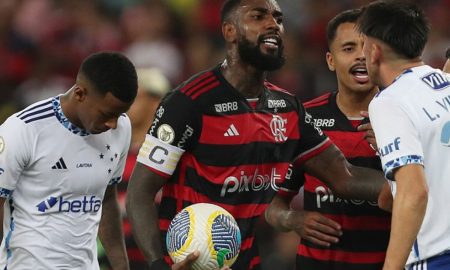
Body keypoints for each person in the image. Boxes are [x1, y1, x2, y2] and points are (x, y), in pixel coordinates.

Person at [126, 1, 387, 270]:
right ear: (230, 31)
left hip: (248, 263)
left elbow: (345, 177)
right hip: (185, 264)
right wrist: (157, 265)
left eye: (278, 18)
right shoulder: (189, 102)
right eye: (258, 16)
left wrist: (413, 185)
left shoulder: (288, 109)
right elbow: (140, 191)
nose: (273, 24)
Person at [265, 8, 391, 270]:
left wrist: (391, 149)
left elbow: (430, 197)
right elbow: (273, 206)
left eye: (367, 47)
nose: (360, 55)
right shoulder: (305, 119)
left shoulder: (404, 117)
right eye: (348, 48)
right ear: (330, 60)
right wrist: (293, 220)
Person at [0, 51, 138, 270]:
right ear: (80, 93)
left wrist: (122, 267)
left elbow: (107, 199)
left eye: (120, 114)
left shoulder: (121, 128)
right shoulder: (24, 129)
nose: (113, 124)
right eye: (106, 114)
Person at [358, 1, 450, 269]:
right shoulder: (445, 85)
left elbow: (414, 191)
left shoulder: (390, 101)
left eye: (362, 45)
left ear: (374, 51)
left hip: (435, 258)